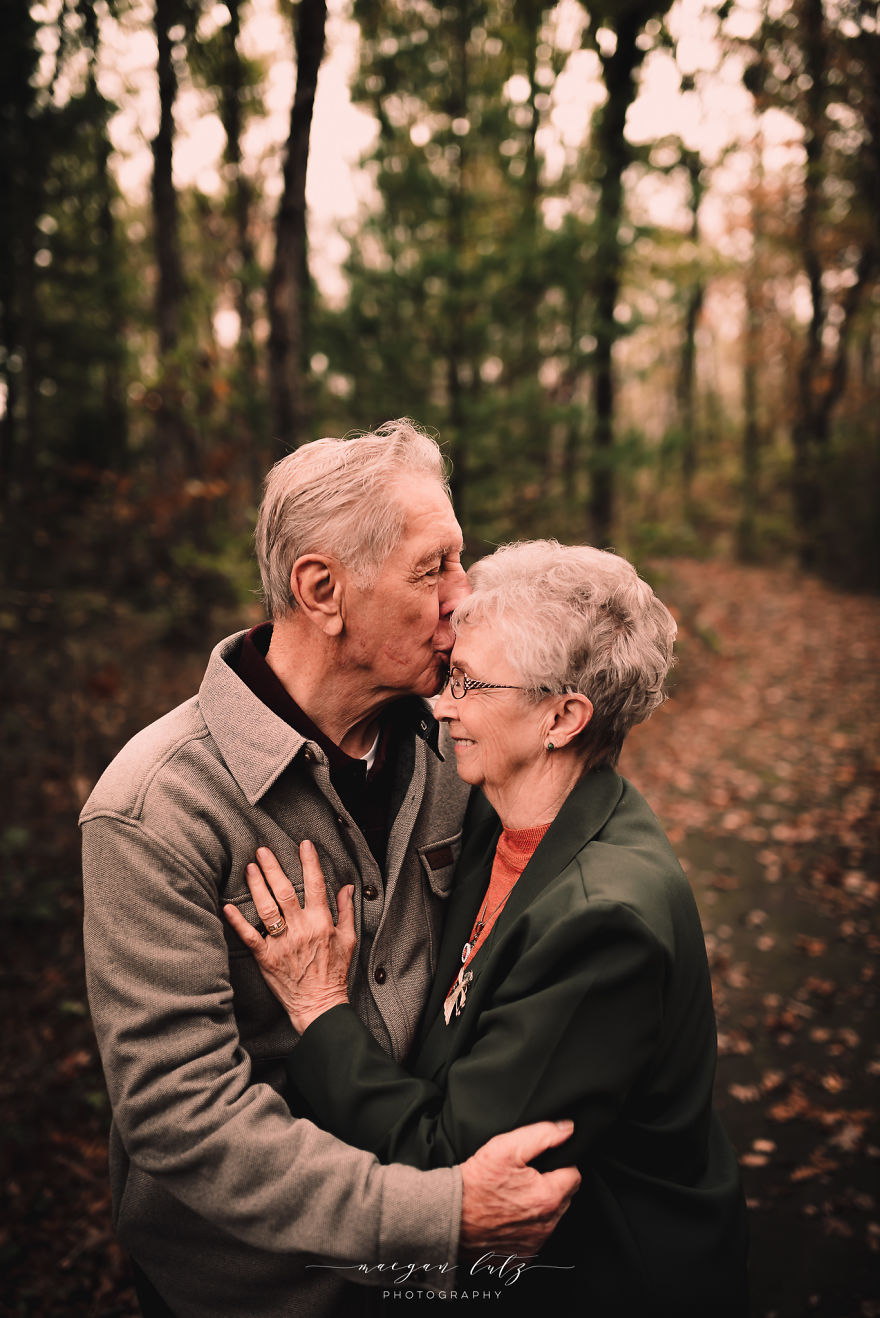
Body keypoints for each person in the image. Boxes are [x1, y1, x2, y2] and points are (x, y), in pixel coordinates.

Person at [80, 425, 580, 1318]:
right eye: (433, 570)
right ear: (322, 590)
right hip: (257, 1291)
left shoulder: (451, 743)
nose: (463, 600)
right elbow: (181, 1116)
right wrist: (439, 1213)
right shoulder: (157, 807)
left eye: (460, 563)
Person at [226, 539, 750, 1318]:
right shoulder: (497, 820)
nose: (442, 704)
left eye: (468, 683)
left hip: (604, 1278)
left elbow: (454, 1162)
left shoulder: (605, 923)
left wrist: (319, 1011)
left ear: (561, 717)